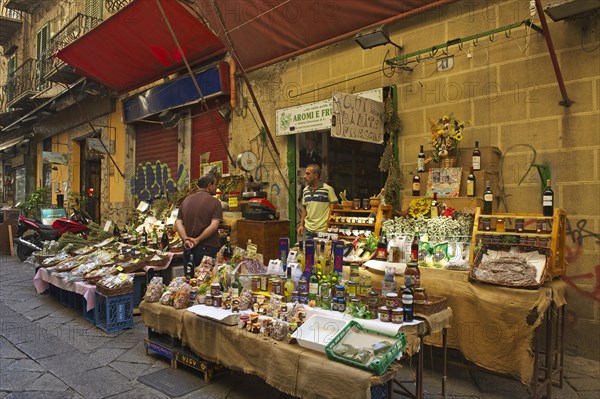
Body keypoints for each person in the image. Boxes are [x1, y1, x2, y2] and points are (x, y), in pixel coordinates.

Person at [174, 174, 223, 276]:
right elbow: (214, 226)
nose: (216, 188)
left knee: (189, 280)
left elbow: (178, 223)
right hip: (207, 249)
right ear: (209, 185)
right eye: (215, 185)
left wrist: (186, 239)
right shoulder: (215, 202)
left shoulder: (186, 200)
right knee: (206, 283)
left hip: (188, 248)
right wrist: (198, 240)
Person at [297, 164, 338, 240]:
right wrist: (301, 225)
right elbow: (304, 208)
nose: (304, 176)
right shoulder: (305, 190)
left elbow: (336, 208)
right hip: (308, 230)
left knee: (322, 251)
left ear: (316, 175)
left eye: (308, 174)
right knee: (308, 251)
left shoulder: (328, 189)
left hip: (323, 230)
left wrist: (333, 225)